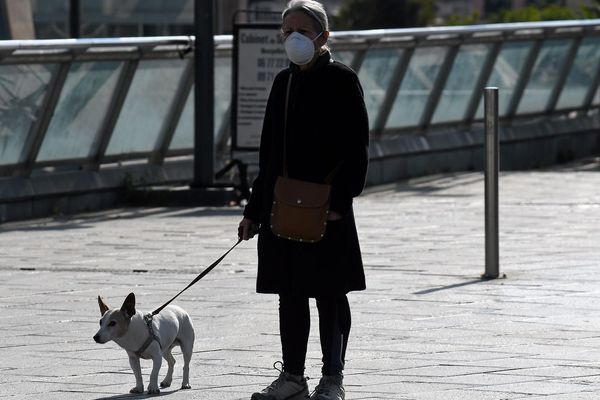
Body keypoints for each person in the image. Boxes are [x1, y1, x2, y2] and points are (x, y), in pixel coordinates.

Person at [238, 1, 369, 399]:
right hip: (282, 208)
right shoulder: (284, 82)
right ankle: (292, 376)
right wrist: (254, 211)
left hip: (327, 210)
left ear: (323, 36)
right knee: (289, 293)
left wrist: (339, 204)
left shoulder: (343, 81)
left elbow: (356, 150)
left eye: (303, 30)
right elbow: (269, 154)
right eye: (287, 30)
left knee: (330, 294)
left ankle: (333, 379)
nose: (294, 38)